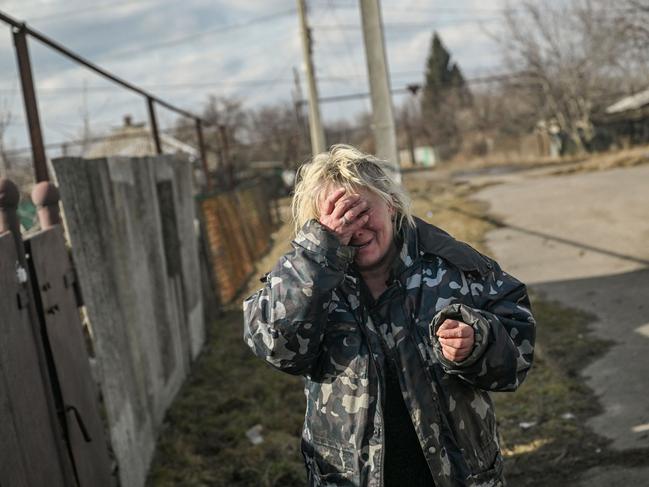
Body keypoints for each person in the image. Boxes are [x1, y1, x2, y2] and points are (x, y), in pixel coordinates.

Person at [243, 144, 535, 487]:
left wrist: (478, 343)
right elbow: (277, 348)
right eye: (338, 218)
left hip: (457, 474)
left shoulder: (451, 266)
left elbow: (518, 346)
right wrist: (320, 253)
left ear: (391, 203)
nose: (354, 229)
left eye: (361, 211)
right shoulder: (305, 278)